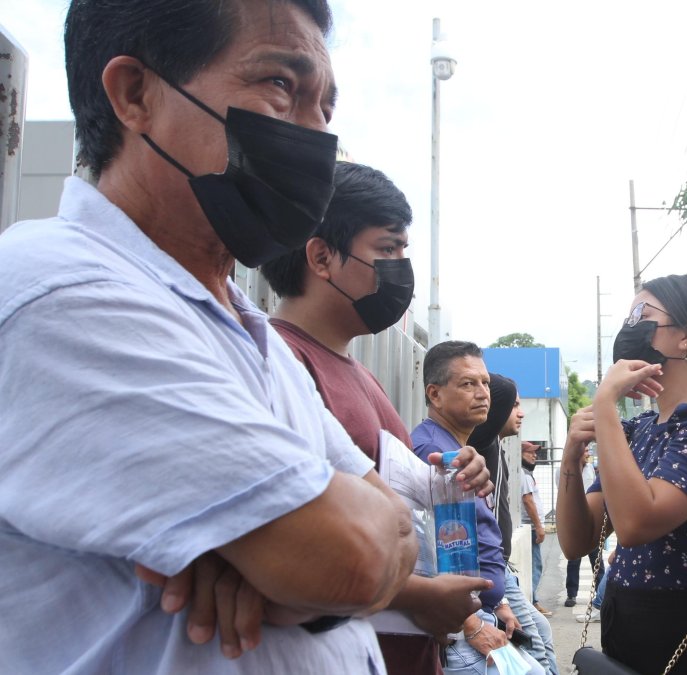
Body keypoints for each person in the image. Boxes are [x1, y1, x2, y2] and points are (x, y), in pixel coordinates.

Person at [0, 1, 462, 672]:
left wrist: (300, 583)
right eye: (280, 86)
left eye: (325, 107)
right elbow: (355, 556)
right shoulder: (61, 291)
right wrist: (324, 560)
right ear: (136, 95)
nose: (314, 135)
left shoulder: (255, 338)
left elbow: (393, 528)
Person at [260, 161, 492, 673]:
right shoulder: (279, 364)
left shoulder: (363, 376)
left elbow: (403, 505)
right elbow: (288, 549)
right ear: (322, 256)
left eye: (404, 251)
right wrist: (420, 597)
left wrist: (451, 476)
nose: (400, 267)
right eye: (387, 249)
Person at [557, 274, 687, 674]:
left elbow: (636, 523)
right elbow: (577, 541)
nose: (629, 328)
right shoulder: (640, 429)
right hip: (629, 631)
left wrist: (604, 406)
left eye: (642, 315)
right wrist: (571, 456)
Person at [412, 342, 546, 675]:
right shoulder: (433, 454)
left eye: (484, 383)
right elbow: (423, 555)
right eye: (468, 384)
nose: (483, 393)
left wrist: (498, 602)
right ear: (435, 394)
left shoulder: (461, 449)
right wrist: (471, 625)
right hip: (462, 632)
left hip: (483, 612)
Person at [467, 377, 558, 674]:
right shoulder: (481, 441)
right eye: (514, 405)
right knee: (536, 646)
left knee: (540, 632)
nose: (521, 413)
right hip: (492, 569)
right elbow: (499, 392)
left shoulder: (498, 446)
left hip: (501, 567)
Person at [563, 446, 603, 609]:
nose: (588, 455)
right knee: (573, 560)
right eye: (586, 452)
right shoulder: (565, 470)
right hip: (575, 520)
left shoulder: (590, 471)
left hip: (591, 519)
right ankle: (571, 594)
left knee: (597, 561)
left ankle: (602, 594)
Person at [521, 441, 553, 616]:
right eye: (530, 452)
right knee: (535, 566)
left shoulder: (526, 474)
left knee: (534, 565)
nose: (534, 456)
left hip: (531, 527)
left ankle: (532, 600)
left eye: (535, 453)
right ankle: (532, 602)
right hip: (531, 527)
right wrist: (539, 527)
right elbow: (528, 501)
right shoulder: (524, 475)